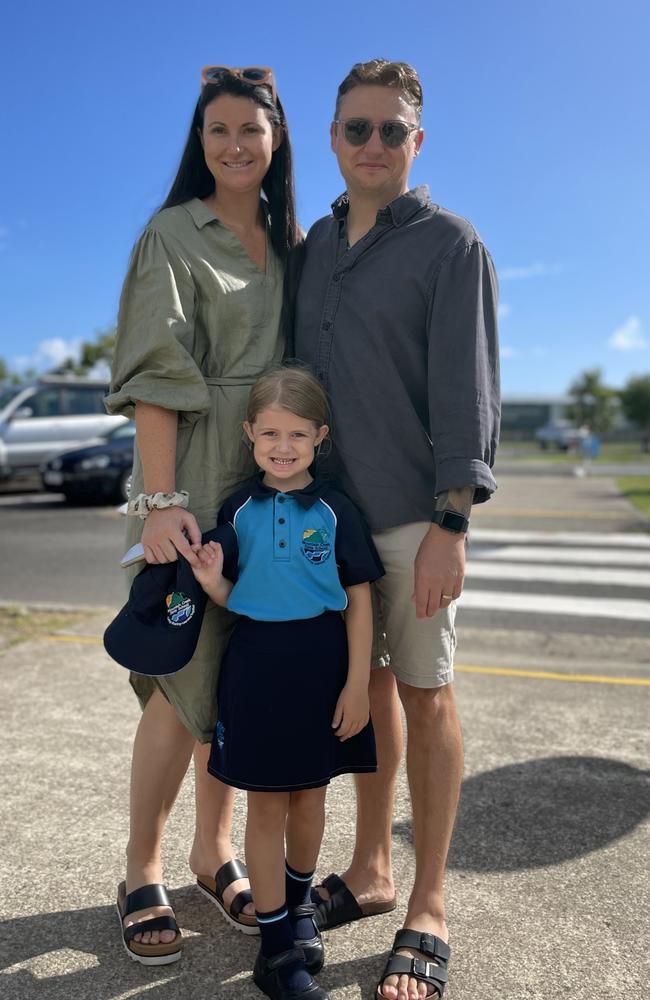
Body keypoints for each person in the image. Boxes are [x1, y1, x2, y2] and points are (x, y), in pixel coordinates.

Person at [292, 60, 500, 1000]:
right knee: (365, 694)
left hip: (416, 519)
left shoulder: (453, 246)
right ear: (333, 139)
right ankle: (370, 869)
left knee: (426, 695)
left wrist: (452, 524)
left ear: (418, 142)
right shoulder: (313, 247)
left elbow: (468, 391)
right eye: (355, 129)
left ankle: (426, 903)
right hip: (328, 521)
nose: (372, 145)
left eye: (391, 130)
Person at [106, 65, 299, 965]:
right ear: (199, 140)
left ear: (276, 141)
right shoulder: (171, 233)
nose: (234, 146)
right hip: (193, 468)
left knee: (240, 673)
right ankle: (141, 865)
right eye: (217, 130)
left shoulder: (292, 240)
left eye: (250, 131)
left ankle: (209, 850)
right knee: (183, 681)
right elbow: (154, 373)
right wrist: (160, 504)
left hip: (272, 478)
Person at [189, 366, 383, 1000]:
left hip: (322, 667)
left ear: (319, 436)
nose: (282, 445)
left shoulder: (335, 510)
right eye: (269, 431)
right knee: (267, 802)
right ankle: (275, 952)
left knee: (312, 799)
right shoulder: (236, 509)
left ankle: (297, 911)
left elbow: (358, 599)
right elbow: (234, 600)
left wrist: (357, 684)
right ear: (249, 433)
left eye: (297, 433)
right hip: (255, 668)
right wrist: (214, 580)